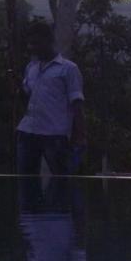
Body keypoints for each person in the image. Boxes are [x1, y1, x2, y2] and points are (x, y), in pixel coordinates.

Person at [17, 21, 86, 175]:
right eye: (30, 44)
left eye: (35, 43)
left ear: (48, 40)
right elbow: (27, 99)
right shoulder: (31, 67)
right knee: (26, 182)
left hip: (54, 135)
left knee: (61, 182)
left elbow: (77, 105)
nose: (31, 48)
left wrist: (79, 138)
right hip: (28, 132)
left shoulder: (68, 69)